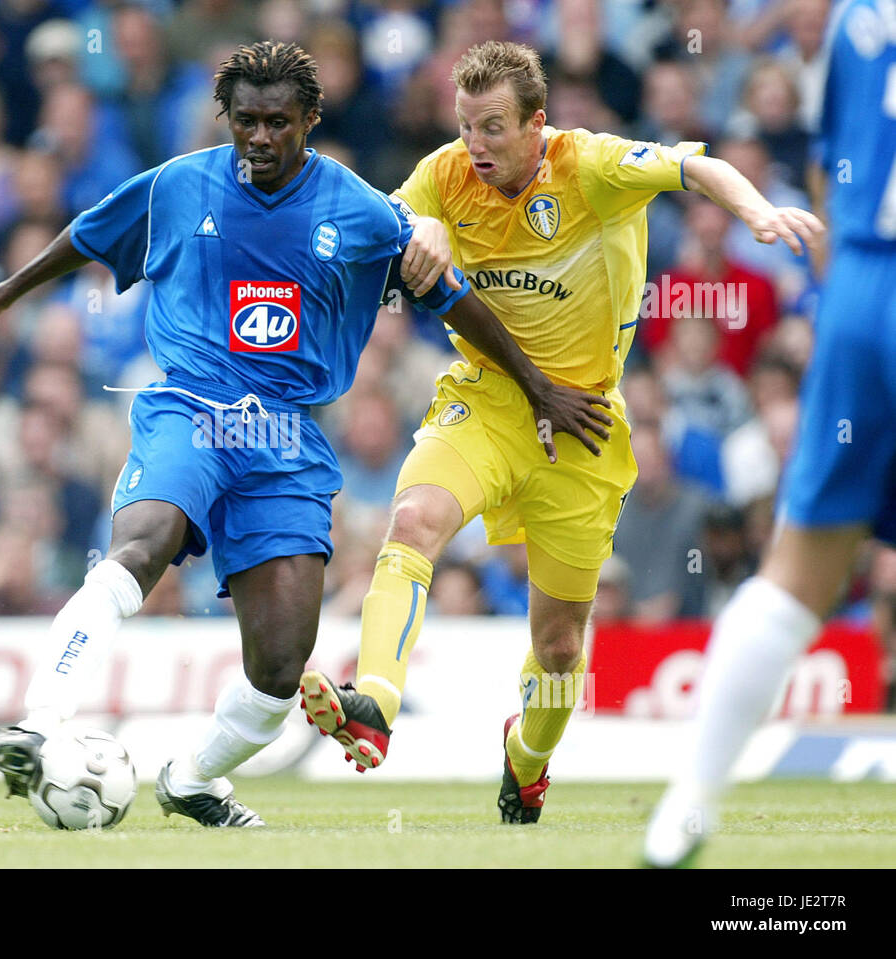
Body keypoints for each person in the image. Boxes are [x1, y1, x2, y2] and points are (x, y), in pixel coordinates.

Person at [0, 40, 607, 827]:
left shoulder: (358, 209)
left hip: (287, 439)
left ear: (310, 120)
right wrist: (5, 293)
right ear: (227, 117)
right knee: (141, 544)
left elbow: (452, 297)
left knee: (281, 667)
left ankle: (192, 779)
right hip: (191, 406)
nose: (259, 138)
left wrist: (537, 388)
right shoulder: (179, 185)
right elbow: (88, 234)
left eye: (277, 123)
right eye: (245, 121)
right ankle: (40, 721)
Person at [298, 40, 822, 826]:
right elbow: (382, 221)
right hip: (487, 403)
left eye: (495, 129)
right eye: (466, 126)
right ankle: (373, 700)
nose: (475, 146)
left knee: (560, 647)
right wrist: (414, 229)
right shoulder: (443, 175)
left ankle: (528, 758)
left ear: (538, 124)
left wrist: (753, 210)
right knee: (413, 520)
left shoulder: (593, 166)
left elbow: (696, 168)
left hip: (581, 424)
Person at [644, 0, 886, 867]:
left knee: (795, 573)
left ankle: (685, 809)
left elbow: (829, 176)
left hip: (861, 288)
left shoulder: (861, 21)